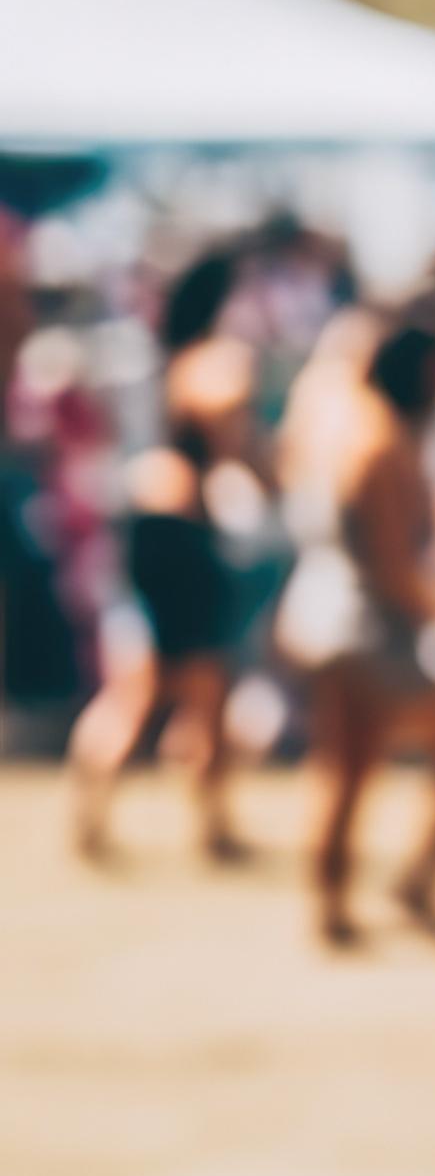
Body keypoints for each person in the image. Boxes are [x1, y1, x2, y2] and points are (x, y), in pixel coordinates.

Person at [272, 314, 435, 947]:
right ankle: (350, 902)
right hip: (363, 626)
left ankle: (342, 903)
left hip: (320, 610)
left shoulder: (327, 421)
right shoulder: (379, 439)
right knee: (364, 768)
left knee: (343, 768)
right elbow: (393, 565)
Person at [69, 248, 260, 859]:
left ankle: (94, 819)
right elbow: (229, 423)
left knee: (138, 686)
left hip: (139, 525)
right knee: (204, 686)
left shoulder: (149, 358)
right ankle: (214, 826)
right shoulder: (210, 363)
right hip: (183, 531)